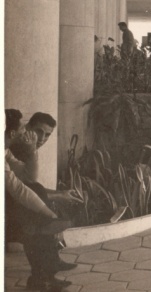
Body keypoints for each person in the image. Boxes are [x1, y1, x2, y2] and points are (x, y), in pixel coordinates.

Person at [5, 110, 79, 291]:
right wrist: (51, 209)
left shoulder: (8, 149)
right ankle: (46, 272)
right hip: (9, 210)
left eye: (48, 135)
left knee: (37, 224)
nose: (42, 138)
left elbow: (28, 180)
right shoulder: (14, 146)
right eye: (37, 131)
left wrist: (33, 151)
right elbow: (21, 188)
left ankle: (46, 273)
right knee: (36, 226)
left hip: (14, 204)